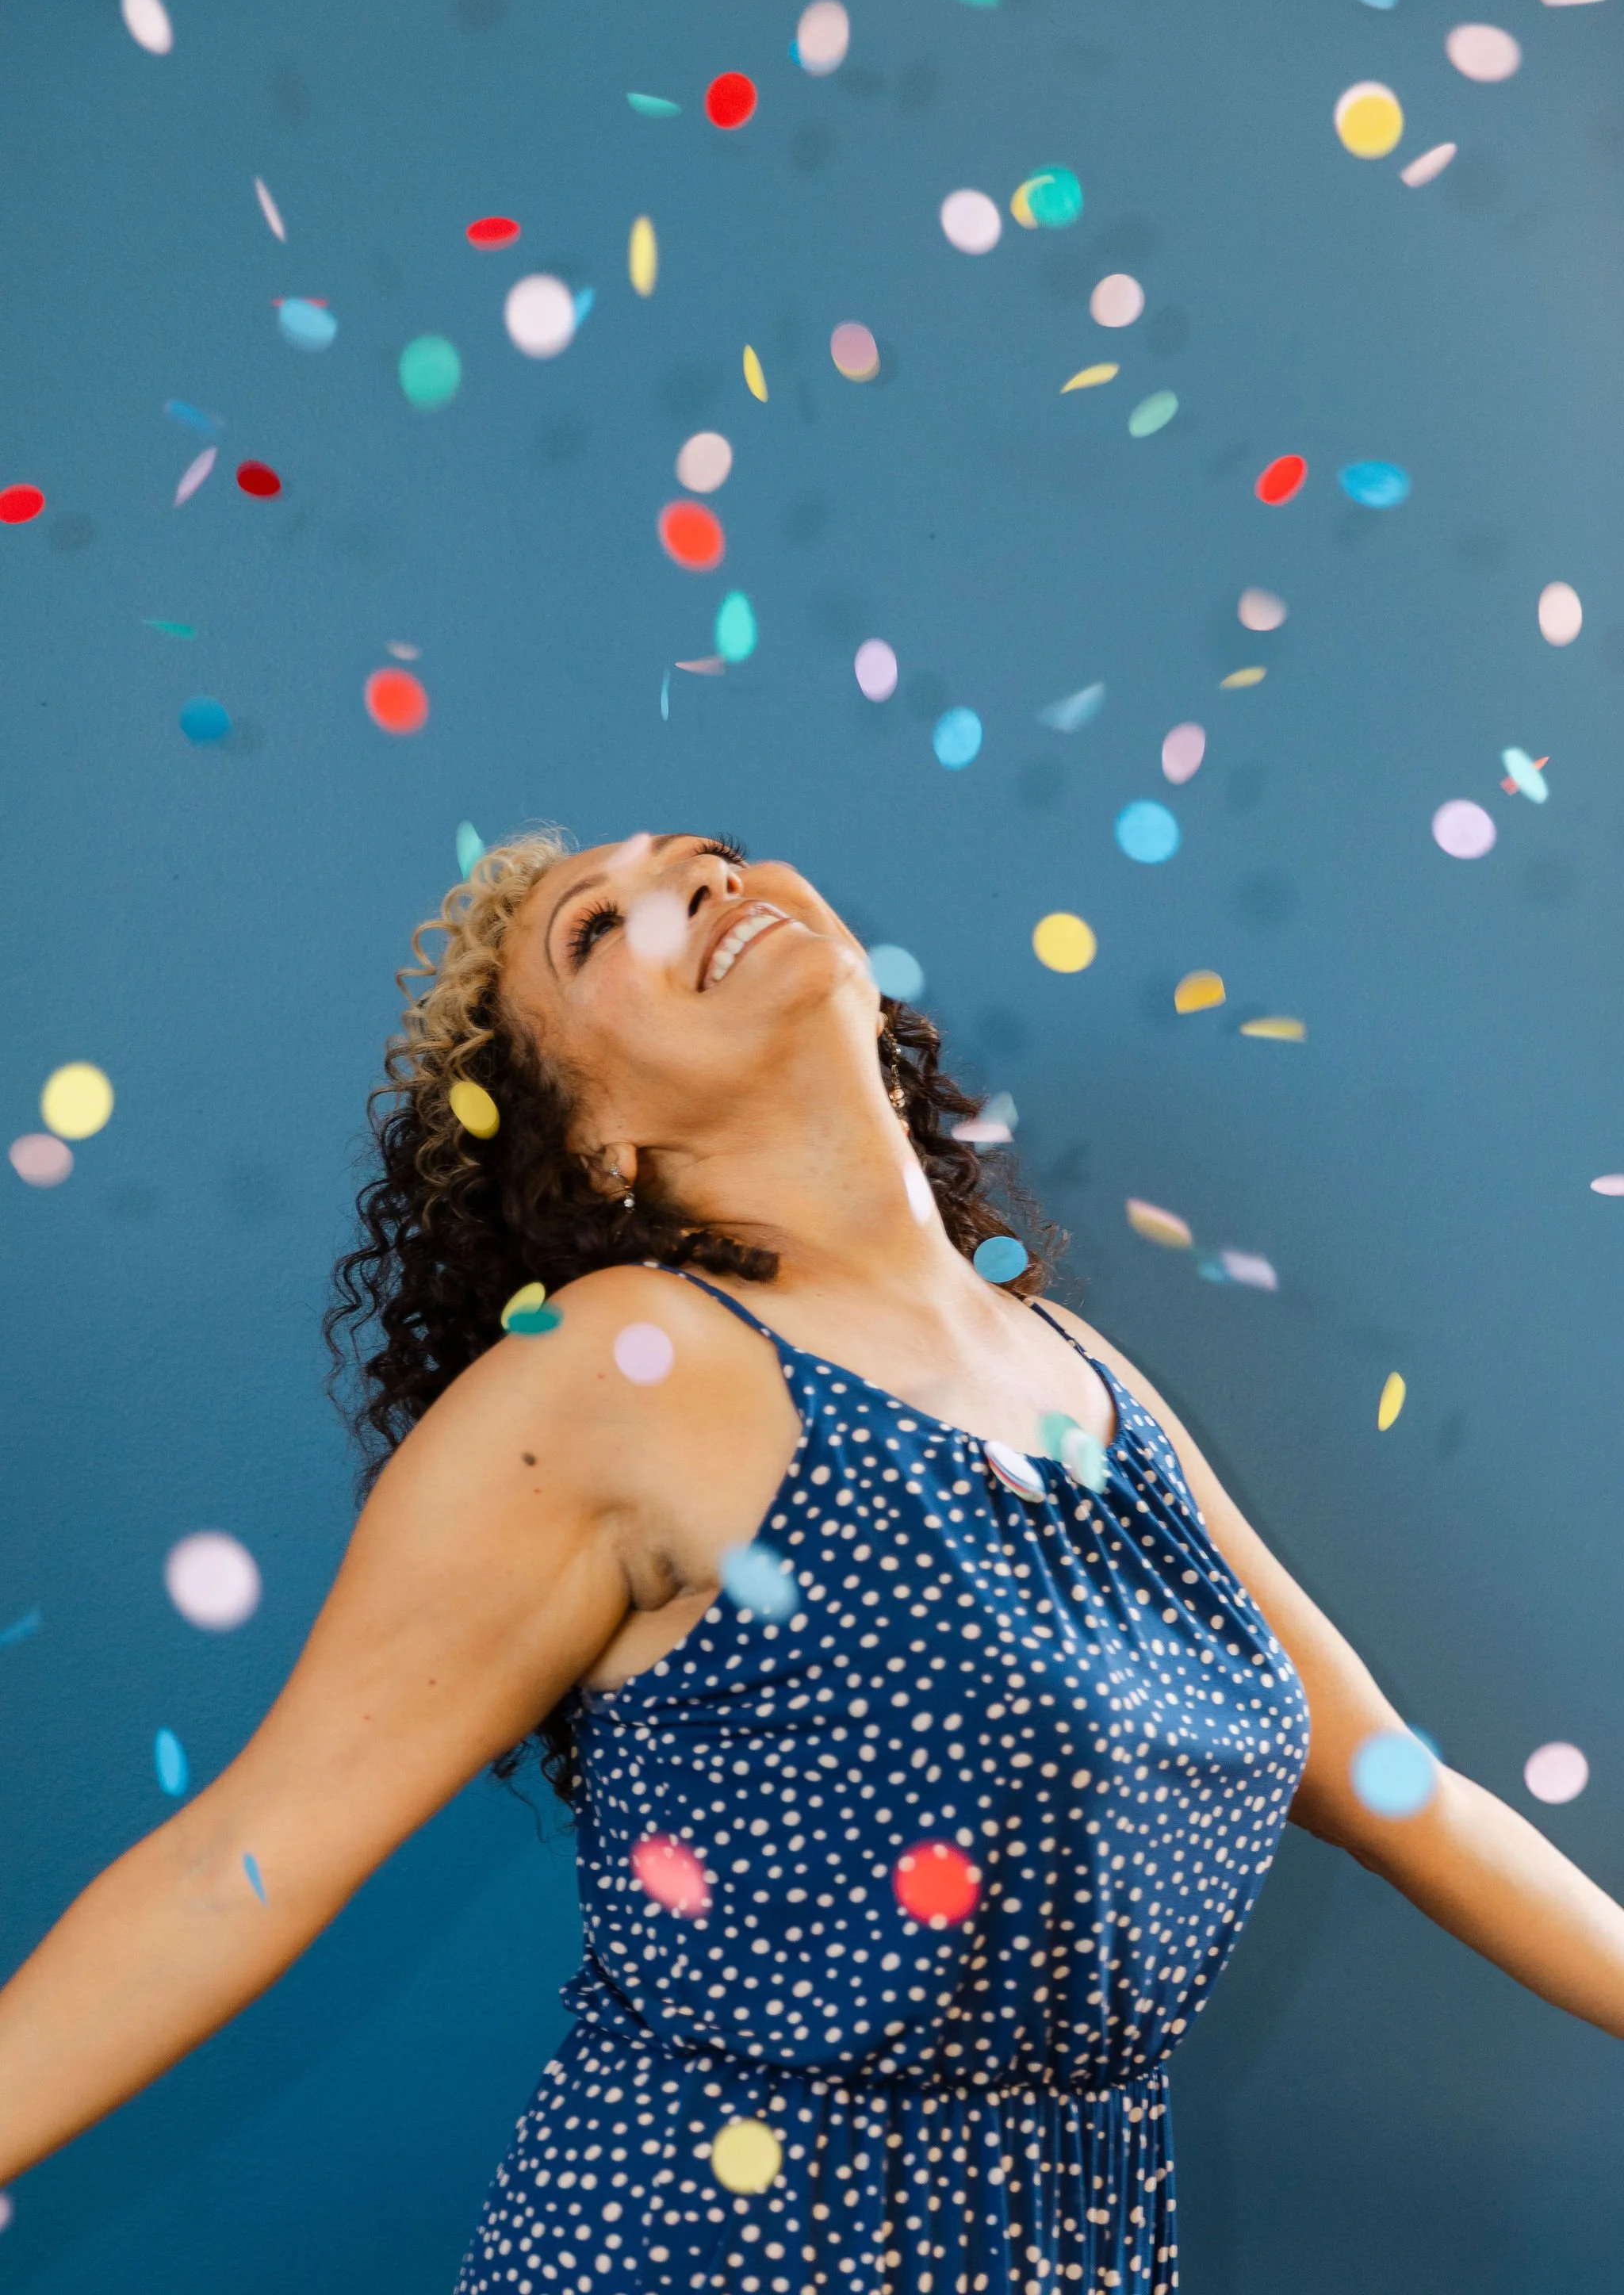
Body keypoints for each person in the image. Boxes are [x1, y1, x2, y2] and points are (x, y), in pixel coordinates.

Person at [2, 827, 1622, 2295]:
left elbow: (1403, 1793)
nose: (696, 885)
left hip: (1074, 2242)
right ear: (594, 1146)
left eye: (708, 855)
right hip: (726, 2244)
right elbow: (243, 1860)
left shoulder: (1086, 1377)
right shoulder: (619, 1368)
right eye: (594, 930)